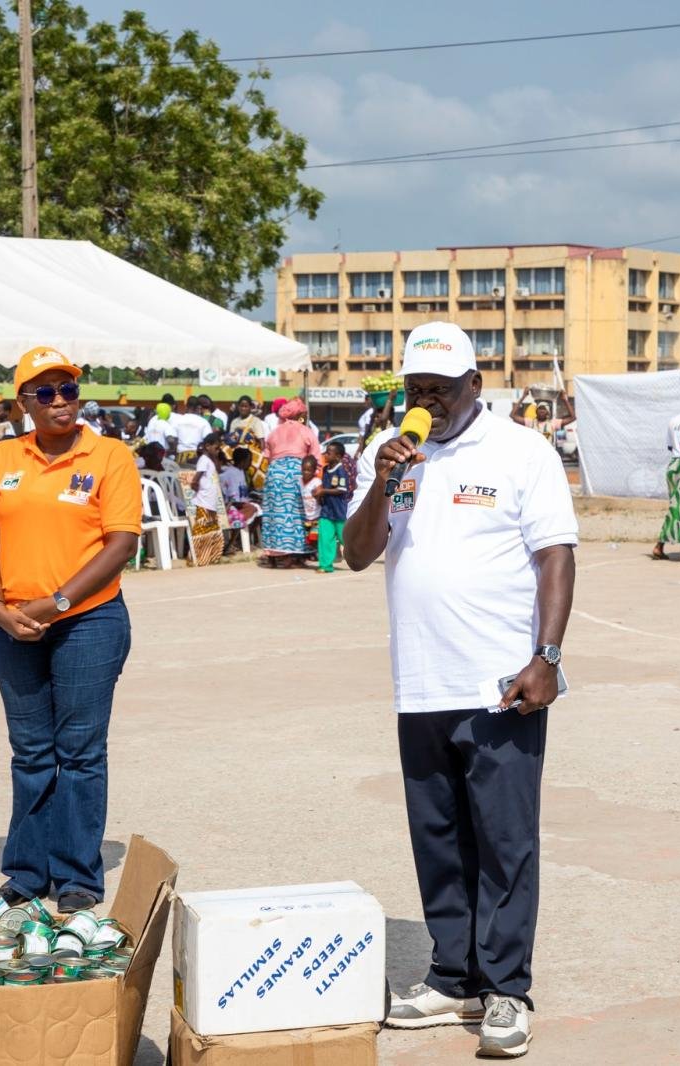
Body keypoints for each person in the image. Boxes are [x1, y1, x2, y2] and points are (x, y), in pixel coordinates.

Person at [347, 322, 577, 1059]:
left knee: (505, 842)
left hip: (499, 684)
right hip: (419, 683)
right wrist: (385, 479)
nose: (427, 403)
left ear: (475, 385)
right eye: (416, 390)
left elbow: (555, 557)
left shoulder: (521, 451)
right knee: (438, 840)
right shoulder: (387, 453)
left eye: (441, 390)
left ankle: (506, 990)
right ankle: (454, 977)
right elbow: (357, 555)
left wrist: (545, 656)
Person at [0, 346, 141, 914]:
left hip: (88, 621)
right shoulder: (3, 457)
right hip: (11, 625)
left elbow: (121, 543)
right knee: (31, 752)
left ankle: (76, 877)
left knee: (80, 753)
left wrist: (56, 602)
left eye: (68, 388)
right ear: (23, 402)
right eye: (45, 392)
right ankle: (25, 872)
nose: (61, 401)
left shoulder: (110, 455)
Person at [261, 397, 321, 568]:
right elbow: (316, 457)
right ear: (301, 414)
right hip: (297, 473)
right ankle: (292, 555)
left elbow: (267, 455)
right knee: (295, 516)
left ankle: (273, 555)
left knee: (274, 515)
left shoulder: (274, 431)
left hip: (274, 473)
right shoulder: (305, 430)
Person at [652, 398, 680, 561]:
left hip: (673, 464)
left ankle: (659, 545)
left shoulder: (675, 420)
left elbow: (670, 446)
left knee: (675, 507)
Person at [189, 430, 227, 566]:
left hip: (210, 501)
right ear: (207, 446)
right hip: (203, 500)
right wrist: (199, 492)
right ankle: (198, 558)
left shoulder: (210, 460)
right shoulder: (203, 460)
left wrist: (216, 456)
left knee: (212, 527)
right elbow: (195, 480)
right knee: (202, 528)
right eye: (216, 448)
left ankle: (211, 556)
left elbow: (218, 468)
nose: (218, 451)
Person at [315, 440, 350, 573]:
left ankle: (358, 555)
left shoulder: (341, 471)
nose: (325, 455)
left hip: (339, 511)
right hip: (326, 511)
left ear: (338, 456)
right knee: (325, 538)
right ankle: (325, 565)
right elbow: (323, 486)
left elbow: (342, 489)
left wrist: (323, 491)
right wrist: (319, 494)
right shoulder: (325, 469)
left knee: (344, 538)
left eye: (328, 453)